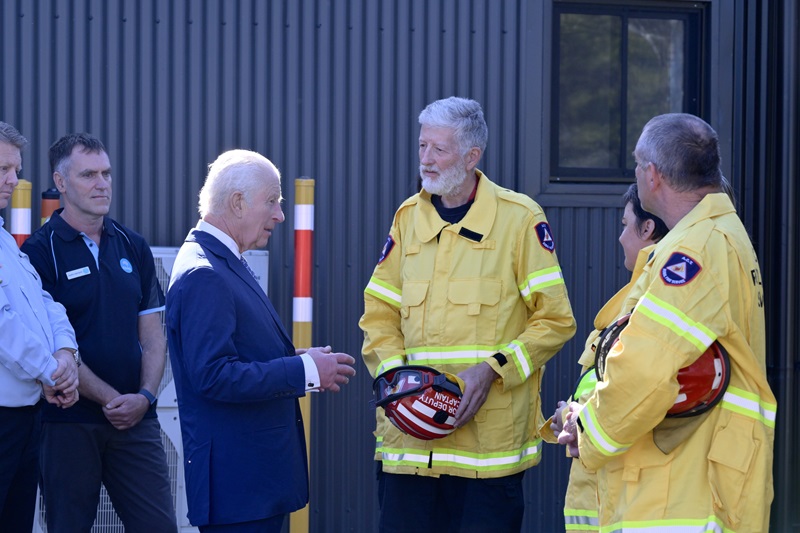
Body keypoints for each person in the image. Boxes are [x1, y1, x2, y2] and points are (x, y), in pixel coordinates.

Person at [359, 97, 576, 532]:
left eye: (438, 149)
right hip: (409, 449)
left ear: (472, 155)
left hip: (487, 458)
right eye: (422, 146)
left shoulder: (519, 220)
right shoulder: (407, 218)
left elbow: (555, 320)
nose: (426, 159)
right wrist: (399, 381)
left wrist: (495, 370)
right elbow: (378, 315)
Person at [558, 113, 776, 531]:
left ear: (652, 176)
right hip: (696, 476)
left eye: (638, 165)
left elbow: (643, 370)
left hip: (678, 491)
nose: (637, 173)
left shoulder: (692, 251)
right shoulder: (720, 235)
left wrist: (586, 433)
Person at [165, 149, 356, 532]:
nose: (280, 215)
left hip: (250, 489)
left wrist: (303, 362)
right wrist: (303, 370)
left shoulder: (223, 260)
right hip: (241, 493)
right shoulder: (207, 273)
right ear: (237, 202)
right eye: (272, 201)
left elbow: (236, 354)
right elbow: (215, 375)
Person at [22, 133, 177, 532]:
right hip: (68, 425)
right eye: (89, 174)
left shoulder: (132, 245)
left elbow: (153, 335)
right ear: (60, 182)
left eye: (106, 173)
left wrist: (144, 398)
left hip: (136, 421)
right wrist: (112, 400)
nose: (102, 183)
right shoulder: (39, 253)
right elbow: (50, 346)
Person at [543, 183, 668, 532]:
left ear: (647, 229)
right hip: (600, 488)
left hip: (620, 489)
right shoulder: (633, 297)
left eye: (626, 225)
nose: (620, 237)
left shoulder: (650, 301)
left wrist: (571, 418)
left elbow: (631, 391)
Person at [0, 121, 79, 531]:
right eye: (3, 169)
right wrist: (53, 372)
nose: (14, 180)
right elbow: (3, 327)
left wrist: (66, 353)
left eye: (16, 169)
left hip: (25, 419)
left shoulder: (3, 238)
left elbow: (45, 302)